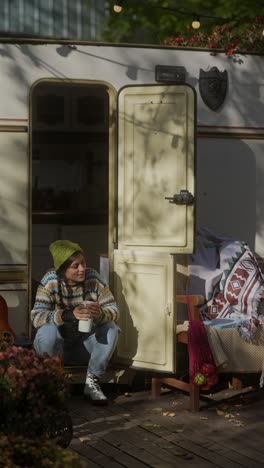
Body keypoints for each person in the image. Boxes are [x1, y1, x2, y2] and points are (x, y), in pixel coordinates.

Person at [31, 240, 120, 405]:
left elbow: (114, 311)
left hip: (82, 346)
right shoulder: (51, 280)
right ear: (62, 269)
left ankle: (92, 383)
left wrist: (100, 314)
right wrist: (68, 315)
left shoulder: (92, 277)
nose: (82, 269)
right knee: (47, 331)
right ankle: (53, 383)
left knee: (111, 328)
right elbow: (37, 317)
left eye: (83, 263)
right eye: (75, 266)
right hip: (57, 348)